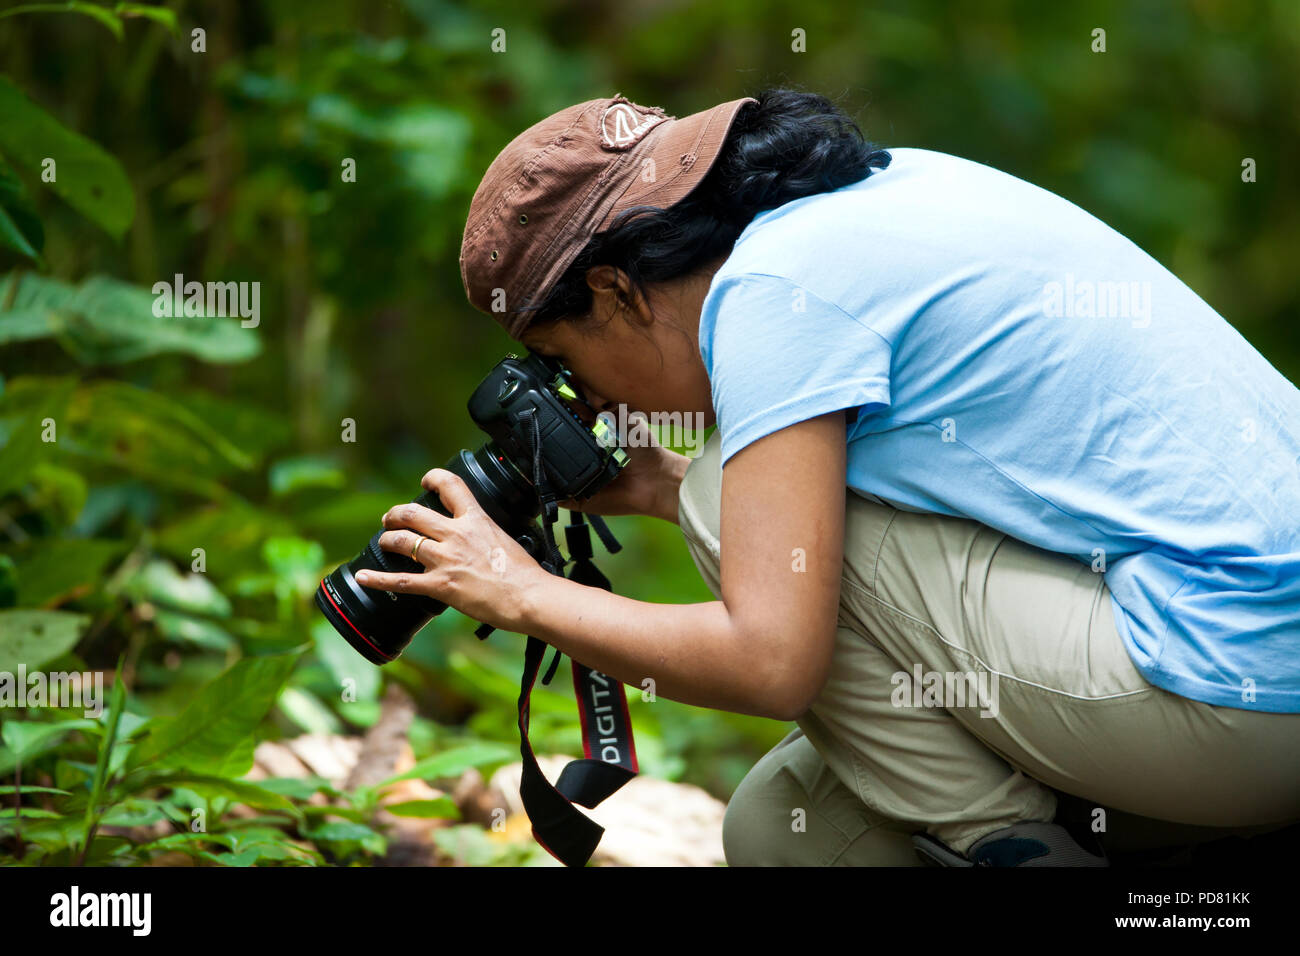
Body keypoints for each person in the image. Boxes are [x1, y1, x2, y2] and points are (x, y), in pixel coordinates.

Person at [356, 89, 1300, 866]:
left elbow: (771, 661)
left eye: (567, 362)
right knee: (789, 831)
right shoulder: (880, 196)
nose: (587, 400)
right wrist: (651, 485)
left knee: (723, 495)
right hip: (1241, 672)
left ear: (615, 290)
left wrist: (517, 592)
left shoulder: (773, 295)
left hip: (1234, 691)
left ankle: (1008, 850)